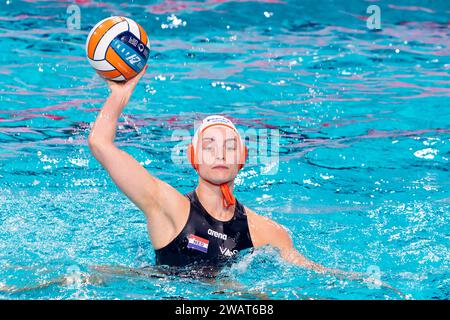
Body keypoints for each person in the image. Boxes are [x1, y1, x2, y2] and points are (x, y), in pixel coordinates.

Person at [87, 66, 372, 281]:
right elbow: (100, 143)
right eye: (209, 146)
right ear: (194, 158)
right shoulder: (166, 206)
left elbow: (314, 274)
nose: (221, 153)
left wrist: (364, 281)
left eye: (230, 146)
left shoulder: (266, 231)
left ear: (243, 160)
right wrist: (119, 95)